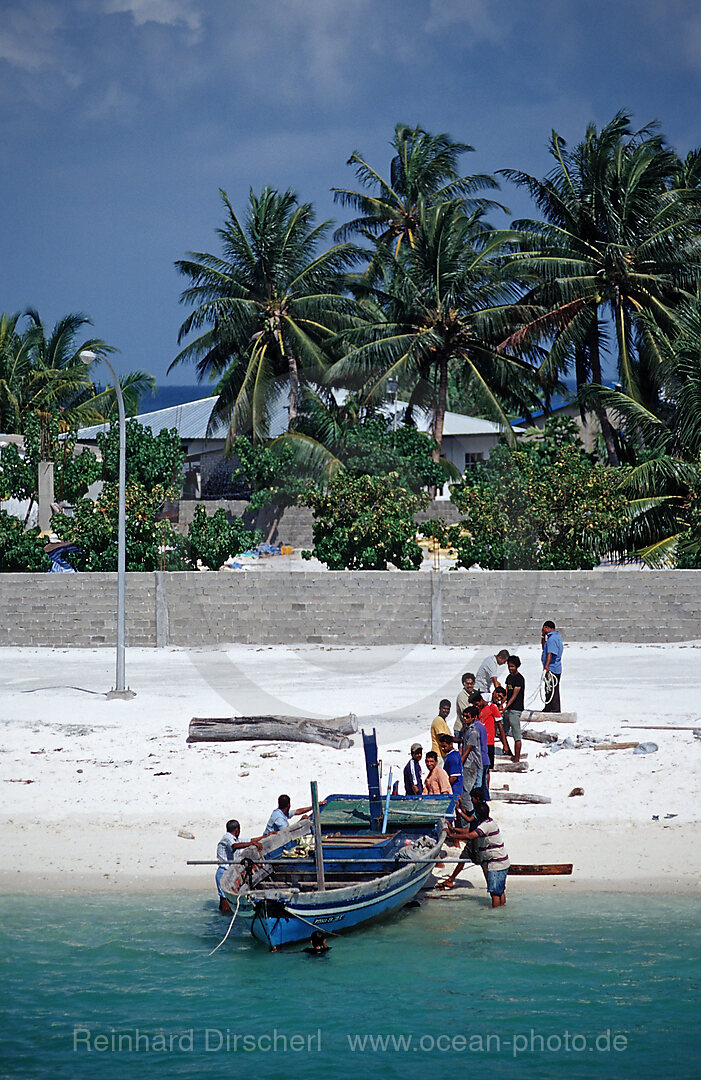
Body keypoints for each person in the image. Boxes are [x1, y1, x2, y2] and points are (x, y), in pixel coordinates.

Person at [439, 803, 510, 906]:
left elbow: (470, 835)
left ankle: (495, 917)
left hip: (495, 863)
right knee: (500, 891)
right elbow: (471, 831)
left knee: (494, 893)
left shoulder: (485, 826)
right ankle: (501, 912)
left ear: (478, 814)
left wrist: (451, 835)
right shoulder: (490, 822)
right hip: (502, 861)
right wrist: (454, 830)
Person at [215, 819, 262, 913]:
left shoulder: (234, 838)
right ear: (237, 830)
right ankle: (224, 919)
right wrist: (252, 844)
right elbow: (235, 846)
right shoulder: (227, 838)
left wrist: (266, 836)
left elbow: (250, 840)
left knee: (228, 900)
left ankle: (225, 918)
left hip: (230, 872)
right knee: (224, 900)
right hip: (223, 872)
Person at [458, 706, 483, 809]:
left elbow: (468, 750)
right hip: (468, 763)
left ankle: (469, 814)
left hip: (470, 764)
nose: (465, 718)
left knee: (466, 791)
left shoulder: (473, 731)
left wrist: (460, 764)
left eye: (467, 717)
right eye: (464, 716)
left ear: (473, 718)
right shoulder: (467, 730)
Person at [503, 654, 525, 763]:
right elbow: (507, 693)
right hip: (508, 709)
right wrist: (501, 703)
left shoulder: (519, 679)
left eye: (512, 666)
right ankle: (507, 751)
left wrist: (505, 706)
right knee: (502, 730)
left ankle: (517, 759)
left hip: (516, 709)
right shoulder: (509, 678)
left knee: (516, 734)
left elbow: (514, 696)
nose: (510, 668)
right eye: (509, 666)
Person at [541, 620, 564, 712]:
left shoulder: (552, 639)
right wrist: (543, 637)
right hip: (554, 667)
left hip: (552, 668)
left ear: (547, 628)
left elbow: (550, 653)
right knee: (549, 688)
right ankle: (548, 707)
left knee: (552, 689)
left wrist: (547, 666)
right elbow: (544, 648)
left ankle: (554, 708)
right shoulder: (554, 638)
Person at [437, 733, 463, 799]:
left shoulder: (452, 757)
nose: (442, 749)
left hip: (454, 790)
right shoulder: (455, 754)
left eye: (444, 746)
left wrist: (445, 788)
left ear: (451, 744)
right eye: (441, 747)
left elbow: (453, 777)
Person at [454, 672, 476, 737]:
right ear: (463, 684)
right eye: (467, 684)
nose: (469, 686)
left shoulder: (475, 693)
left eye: (471, 683)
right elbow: (466, 713)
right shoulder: (461, 696)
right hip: (461, 729)